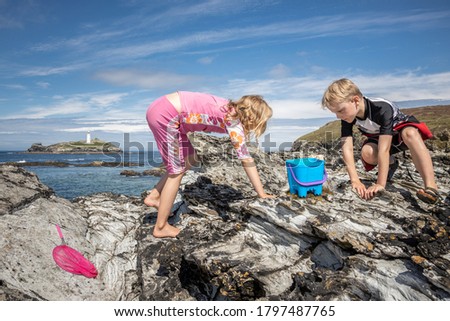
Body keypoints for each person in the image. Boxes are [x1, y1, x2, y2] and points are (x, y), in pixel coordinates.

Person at [145, 91, 274, 238]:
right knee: (177, 172)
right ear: (253, 118)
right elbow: (246, 160)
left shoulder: (227, 106)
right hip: (166, 115)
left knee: (191, 157)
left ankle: (154, 196)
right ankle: (160, 227)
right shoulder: (233, 122)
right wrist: (261, 194)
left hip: (163, 107)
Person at [321, 78, 439, 203]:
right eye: (335, 113)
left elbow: (384, 149)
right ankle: (392, 163)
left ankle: (431, 186)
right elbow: (347, 148)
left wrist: (380, 184)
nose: (338, 116)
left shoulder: (381, 108)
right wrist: (355, 180)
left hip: (399, 134)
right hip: (378, 137)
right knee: (367, 153)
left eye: (340, 111)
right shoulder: (348, 117)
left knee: (410, 133)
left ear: (355, 100)